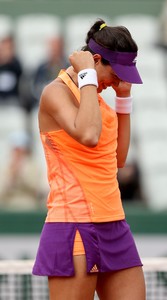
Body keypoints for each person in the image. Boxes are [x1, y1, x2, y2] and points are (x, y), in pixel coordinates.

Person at [32, 19, 146, 300]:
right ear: (95, 60)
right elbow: (89, 135)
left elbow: (118, 159)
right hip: (73, 226)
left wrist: (123, 100)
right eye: (116, 73)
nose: (119, 80)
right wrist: (88, 78)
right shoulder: (55, 93)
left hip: (114, 222)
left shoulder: (99, 101)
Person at [0, 34, 23, 105]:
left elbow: (19, 72)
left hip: (12, 99)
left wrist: (9, 61)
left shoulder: (16, 63)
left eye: (9, 48)